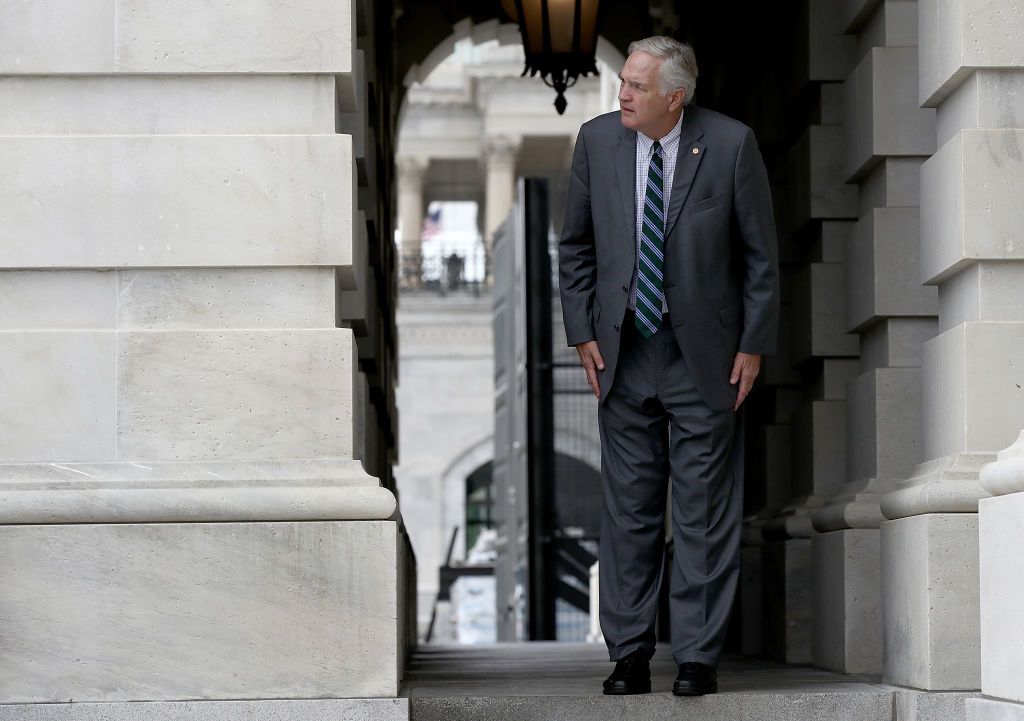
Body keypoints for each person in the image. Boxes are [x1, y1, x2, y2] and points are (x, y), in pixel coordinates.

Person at [558, 36, 779, 696]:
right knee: (628, 510)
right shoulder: (596, 143)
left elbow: (760, 257)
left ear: (674, 97)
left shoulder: (732, 145)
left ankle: (696, 655)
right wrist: (581, 333)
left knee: (704, 512)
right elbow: (575, 249)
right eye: (623, 81)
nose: (622, 92)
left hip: (705, 357)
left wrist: (753, 343)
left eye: (637, 85)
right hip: (623, 354)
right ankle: (629, 652)